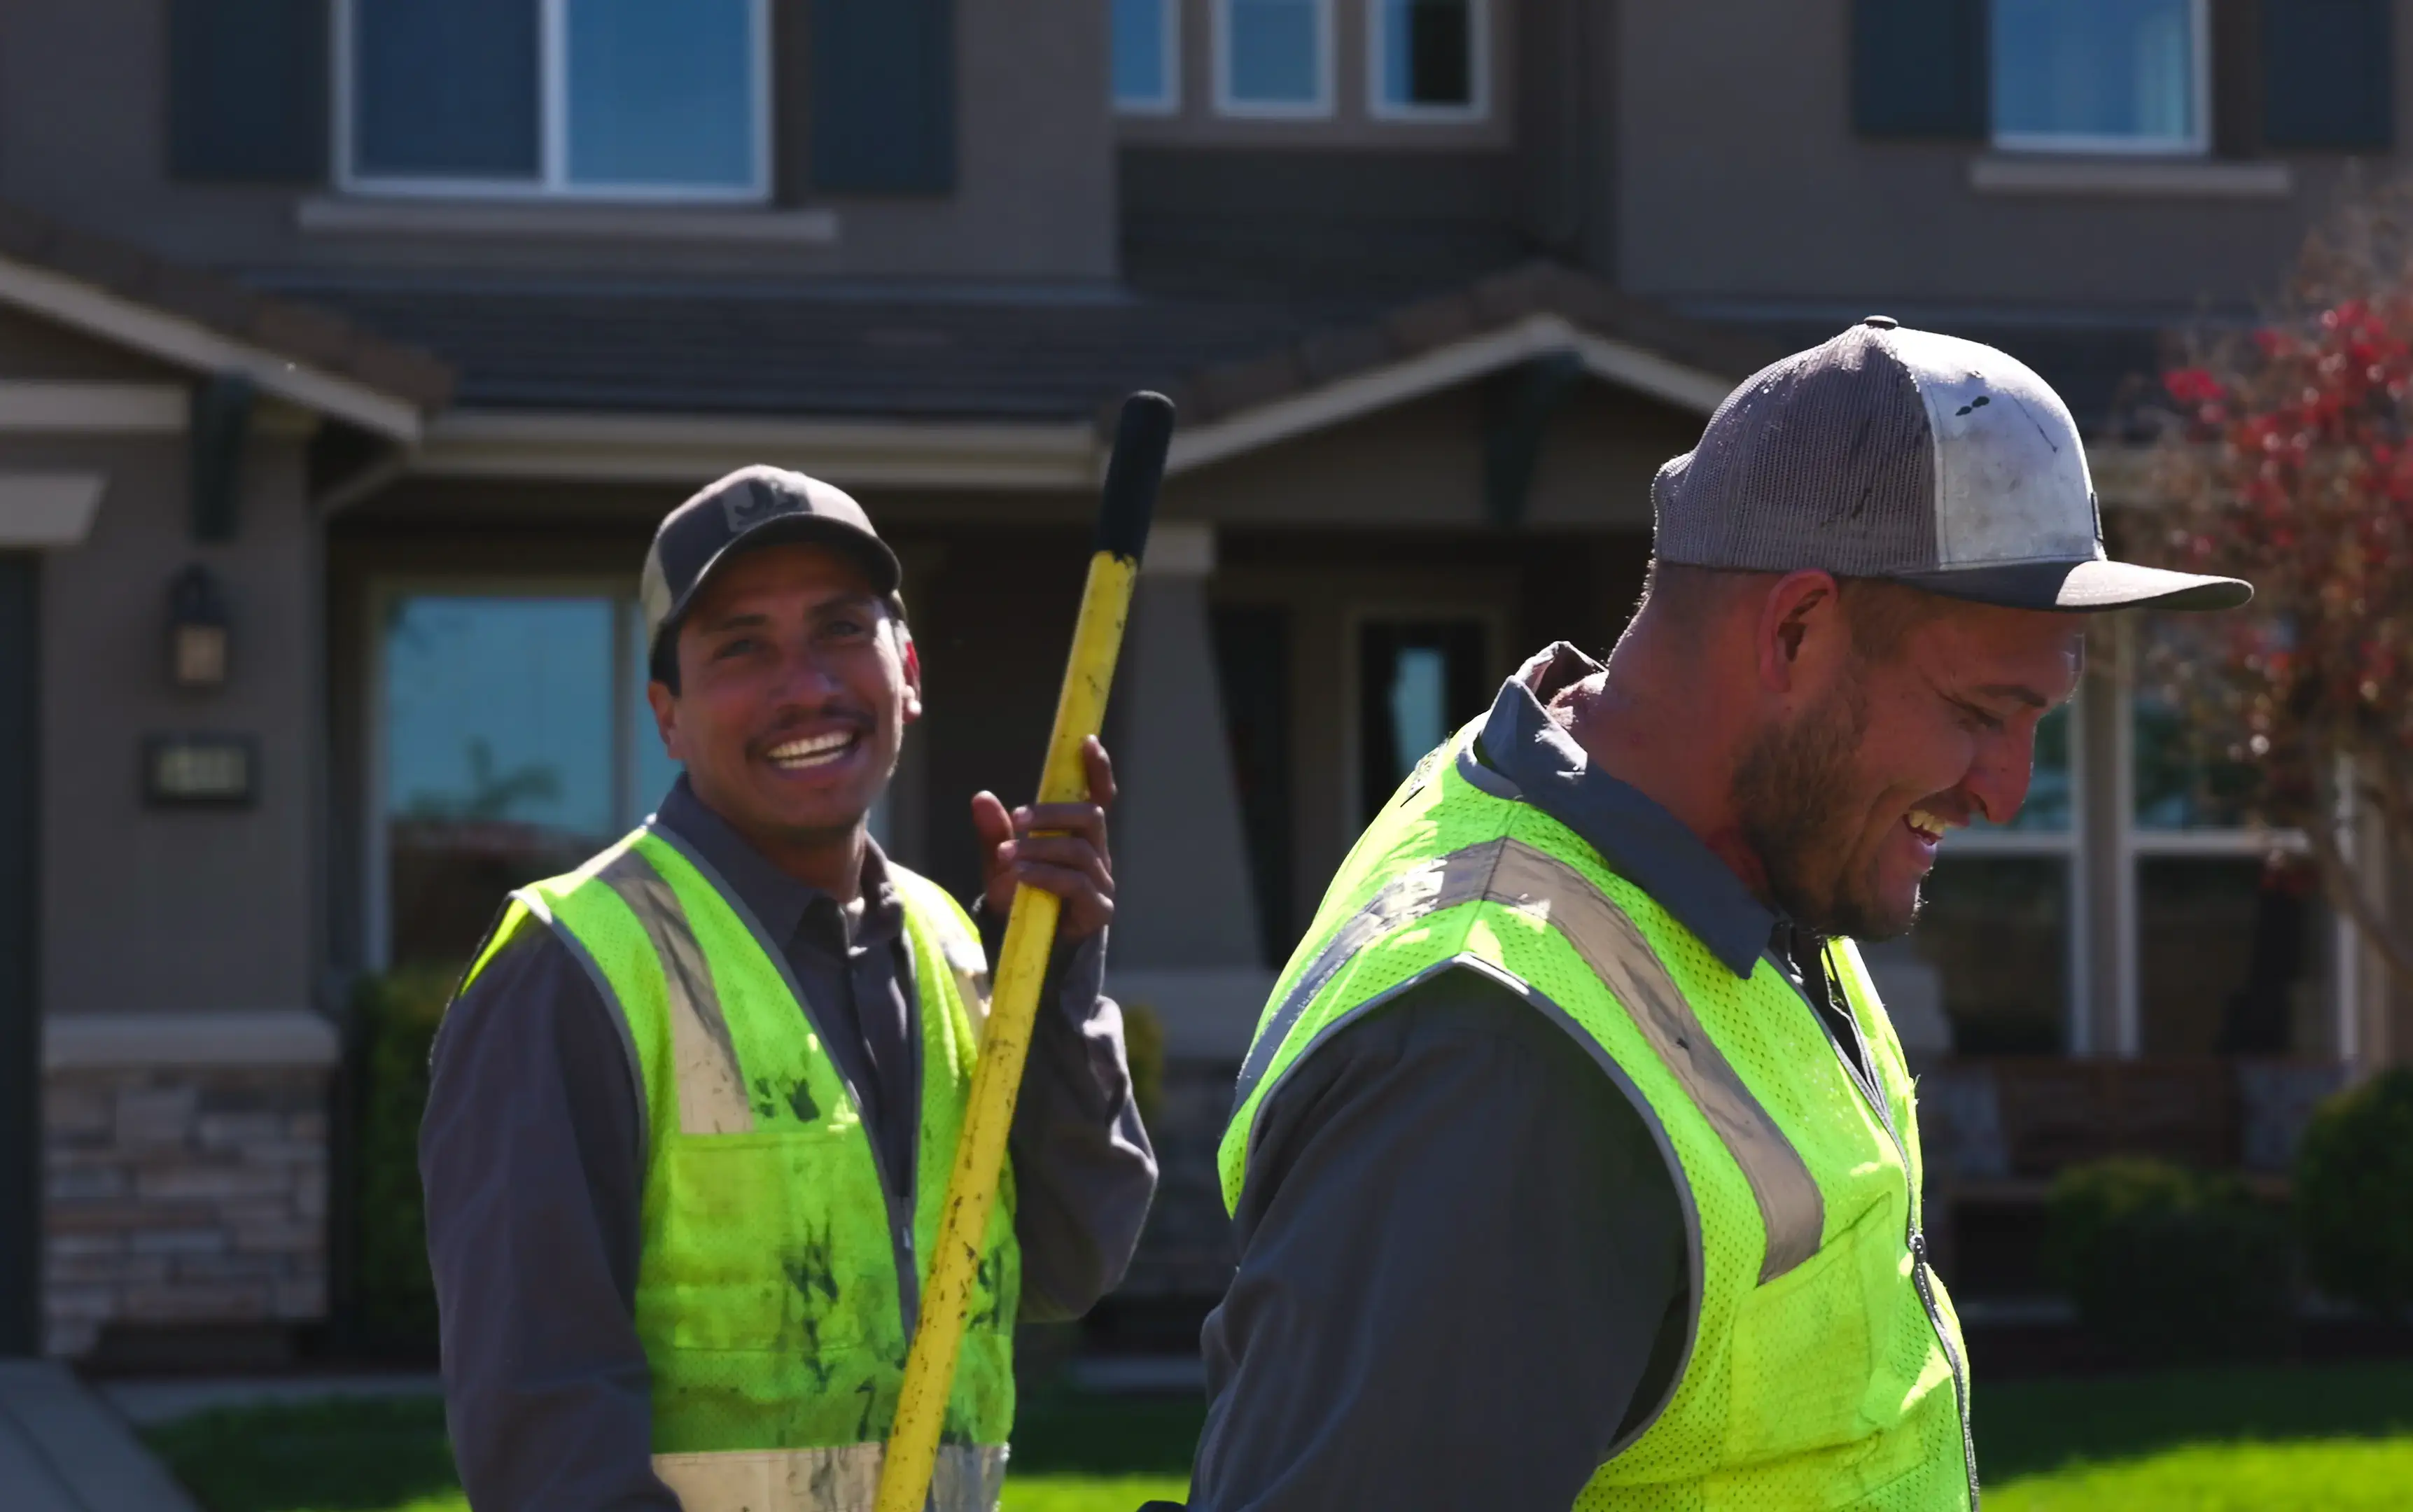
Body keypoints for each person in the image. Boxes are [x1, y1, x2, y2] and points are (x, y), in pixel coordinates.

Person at [1178, 320, 2250, 1511]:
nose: (2005, 789)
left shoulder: (1750, 865)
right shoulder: (1497, 1057)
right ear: (1793, 631)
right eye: (1976, 710)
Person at [419, 466, 1157, 1511]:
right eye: (740, 647)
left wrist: (1056, 973)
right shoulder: (570, 965)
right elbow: (543, 1429)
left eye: (840, 631)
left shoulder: (954, 945)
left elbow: (1070, 1265)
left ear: (907, 669)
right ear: (666, 715)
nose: (804, 686)